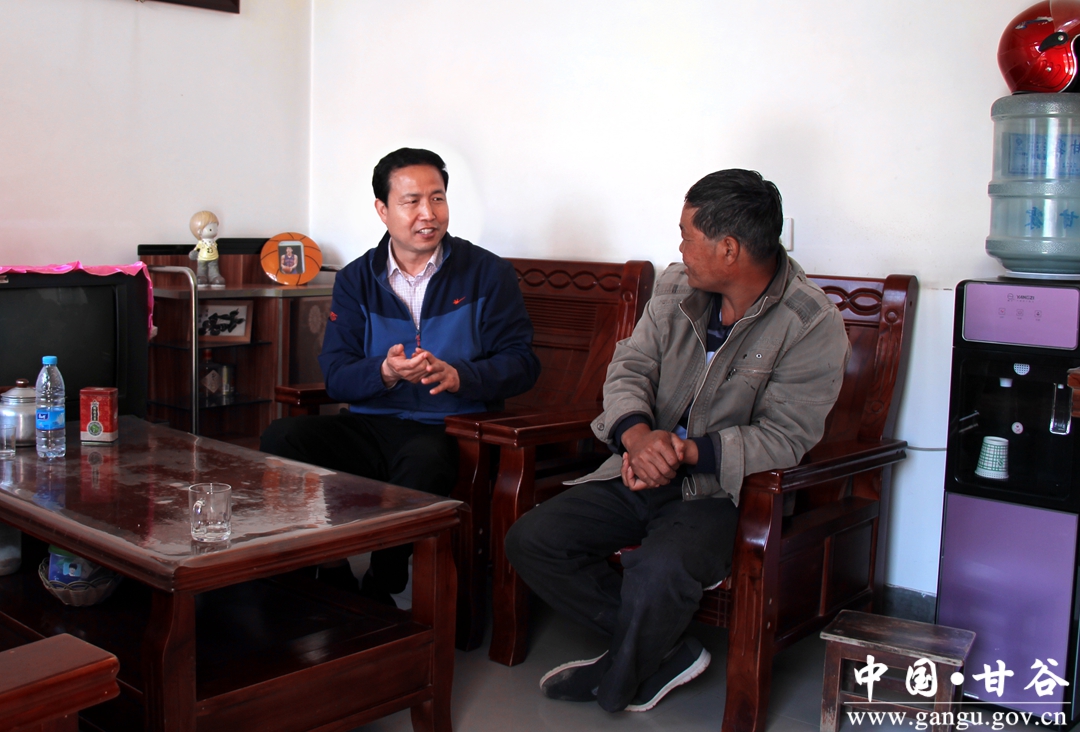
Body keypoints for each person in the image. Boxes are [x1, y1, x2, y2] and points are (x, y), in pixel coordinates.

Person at [505, 169, 850, 713]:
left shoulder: (809, 322)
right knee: (533, 538)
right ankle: (657, 649)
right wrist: (638, 437)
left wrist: (686, 452)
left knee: (662, 569)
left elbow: (786, 437)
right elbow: (629, 368)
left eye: (688, 236)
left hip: (725, 494)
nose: (681, 248)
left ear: (729, 249)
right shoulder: (675, 288)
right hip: (639, 470)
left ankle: (620, 678)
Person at [262, 148, 541, 604]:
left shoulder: (487, 274)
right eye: (412, 201)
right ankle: (331, 565)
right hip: (372, 424)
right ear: (383, 210)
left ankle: (382, 581)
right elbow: (336, 374)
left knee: (423, 461)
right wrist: (385, 371)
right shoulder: (356, 279)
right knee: (283, 438)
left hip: (450, 429)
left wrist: (461, 376)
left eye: (437, 198)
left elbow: (522, 363)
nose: (428, 214)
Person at [188, 211, 226, 287]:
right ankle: (201, 277)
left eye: (216, 228)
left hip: (214, 258)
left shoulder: (214, 242)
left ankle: (215, 277)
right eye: (211, 229)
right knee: (202, 268)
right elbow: (196, 249)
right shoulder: (201, 242)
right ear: (199, 231)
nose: (215, 231)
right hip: (202, 258)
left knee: (214, 267)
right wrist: (193, 253)